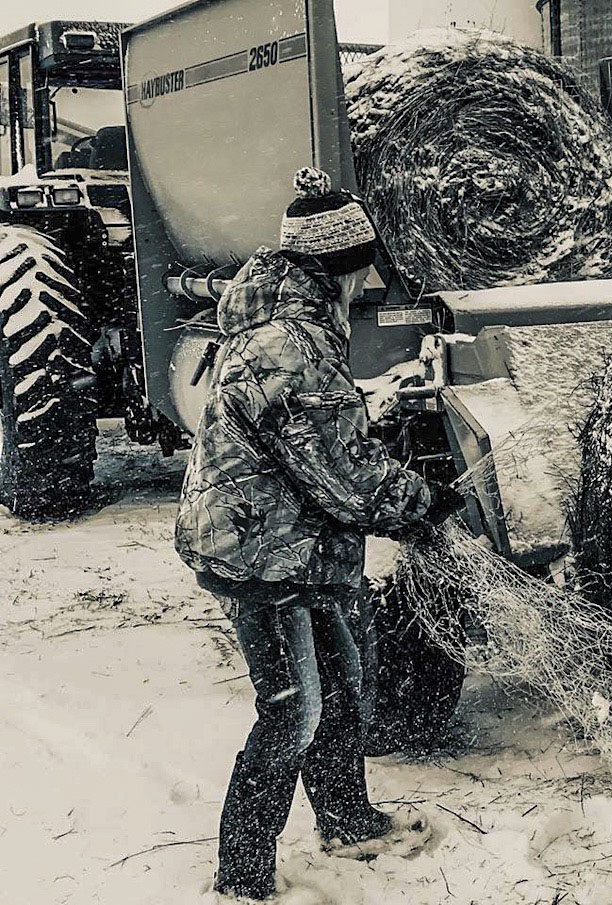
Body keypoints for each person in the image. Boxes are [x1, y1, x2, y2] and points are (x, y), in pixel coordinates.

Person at [175, 167, 463, 902]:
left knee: (339, 689)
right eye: (364, 260)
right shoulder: (290, 345)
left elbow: (321, 437)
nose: (370, 276)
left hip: (293, 543)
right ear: (343, 262)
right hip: (260, 553)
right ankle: (241, 876)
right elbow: (343, 473)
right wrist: (427, 501)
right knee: (291, 710)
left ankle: (348, 820)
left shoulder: (296, 329)